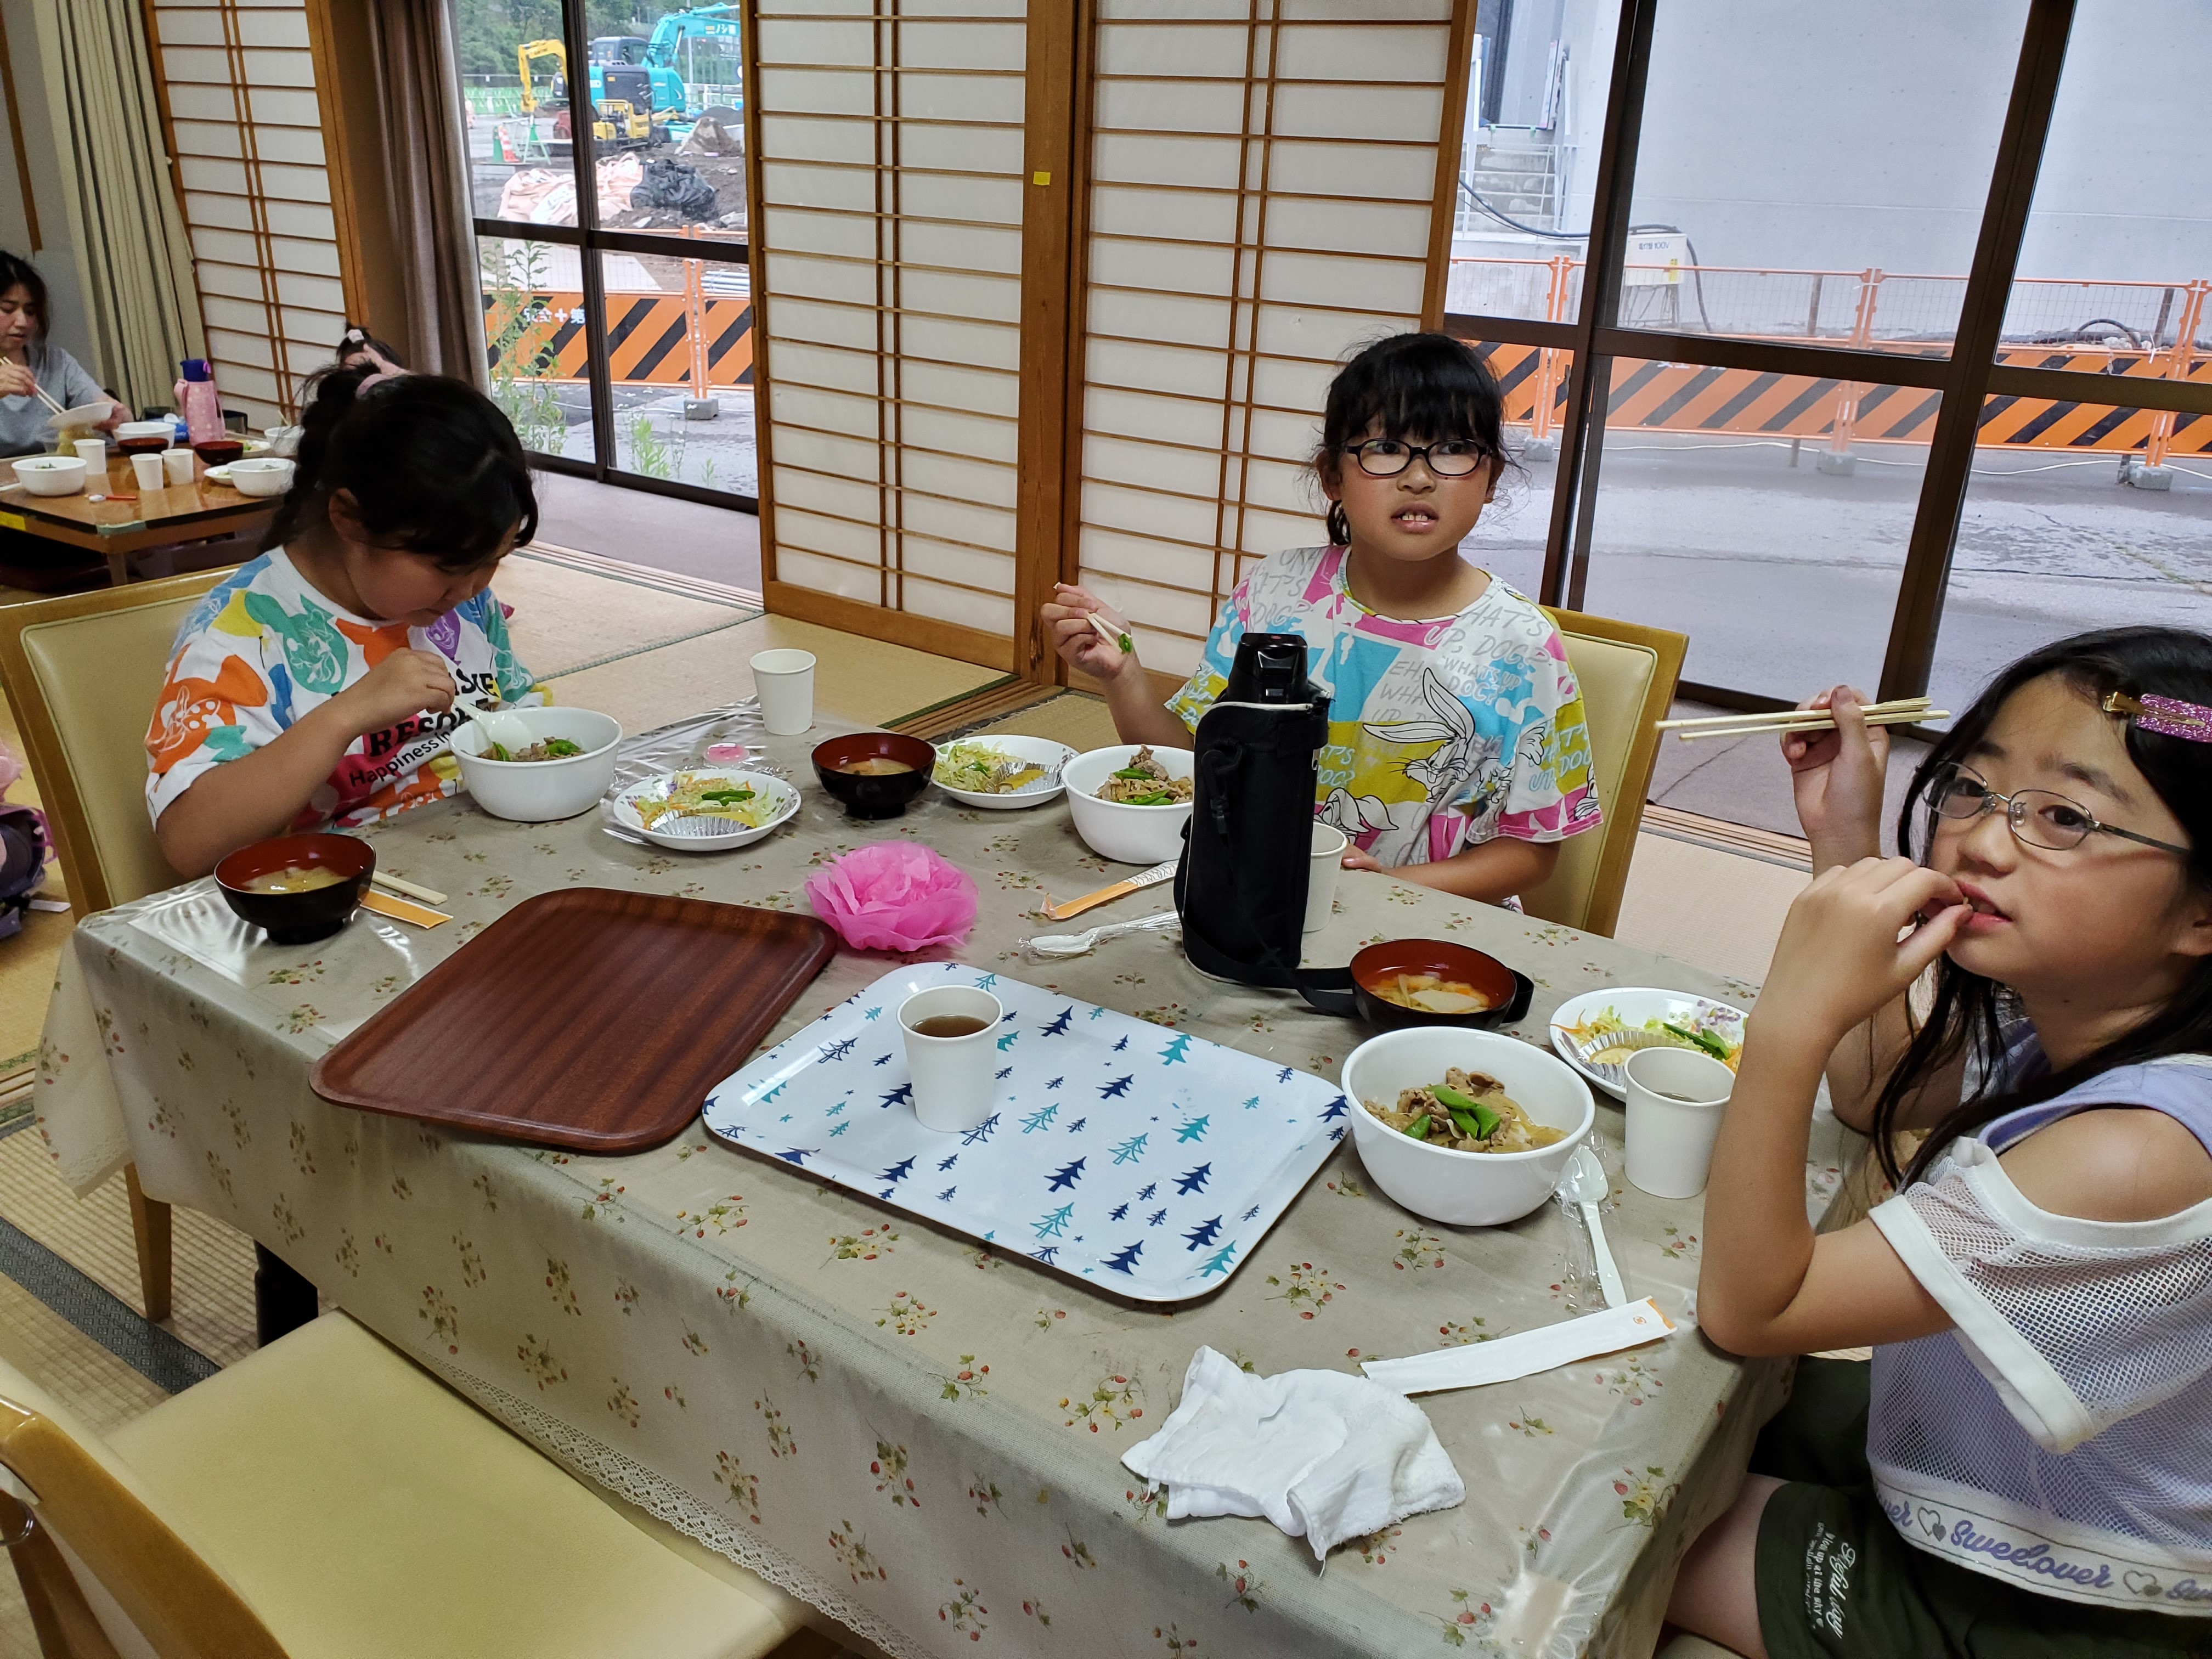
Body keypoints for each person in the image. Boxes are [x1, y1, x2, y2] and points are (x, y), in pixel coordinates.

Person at [1667, 628, 2212, 1658]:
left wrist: (1787, 1021)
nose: (1982, 842)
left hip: (2060, 1603)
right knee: (1676, 1405)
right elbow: (1878, 1090)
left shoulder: (2138, 1151)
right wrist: (1846, 840)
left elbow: (1754, 1306)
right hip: (1978, 1444)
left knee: (1615, 1532)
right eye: (1973, 786)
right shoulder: (2077, 1013)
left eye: (2063, 816)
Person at [1040, 331, 1599, 906]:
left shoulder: (1522, 645)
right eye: (1386, 447)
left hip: (1421, 921)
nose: (1419, 476)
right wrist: (1122, 674)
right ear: (1332, 476)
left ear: (1491, 479)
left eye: (1453, 448)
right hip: (1261, 902)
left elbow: (1531, 853)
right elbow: (1191, 761)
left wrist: (1382, 888)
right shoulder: (1275, 591)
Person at [146, 367, 539, 877]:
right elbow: (189, 843)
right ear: (349, 519)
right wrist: (345, 715)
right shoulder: (242, 633)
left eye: (492, 561)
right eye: (447, 567)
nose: (470, 590)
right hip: (349, 887)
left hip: (492, 858)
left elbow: (516, 710)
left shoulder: (458, 602)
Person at [0, 250, 122, 457]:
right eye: (7, 309)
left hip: (59, 470)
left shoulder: (56, 361)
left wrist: (116, 417)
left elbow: (98, 404)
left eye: (30, 311)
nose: (22, 322)